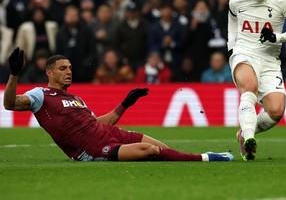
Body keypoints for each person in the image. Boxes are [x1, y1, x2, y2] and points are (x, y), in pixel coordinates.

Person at [3, 47, 234, 162]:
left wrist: (125, 103)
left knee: (163, 148)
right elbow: (10, 104)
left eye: (70, 68)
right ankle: (207, 158)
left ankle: (198, 158)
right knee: (151, 151)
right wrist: (14, 74)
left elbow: (99, 123)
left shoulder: (76, 99)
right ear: (49, 72)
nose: (69, 72)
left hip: (109, 133)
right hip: (91, 149)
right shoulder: (40, 95)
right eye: (63, 69)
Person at [227, 0, 286, 161]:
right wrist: (231, 48)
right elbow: (232, 23)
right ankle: (250, 140)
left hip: (270, 59)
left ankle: (243, 133)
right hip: (244, 52)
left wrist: (277, 37)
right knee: (249, 87)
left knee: (276, 111)